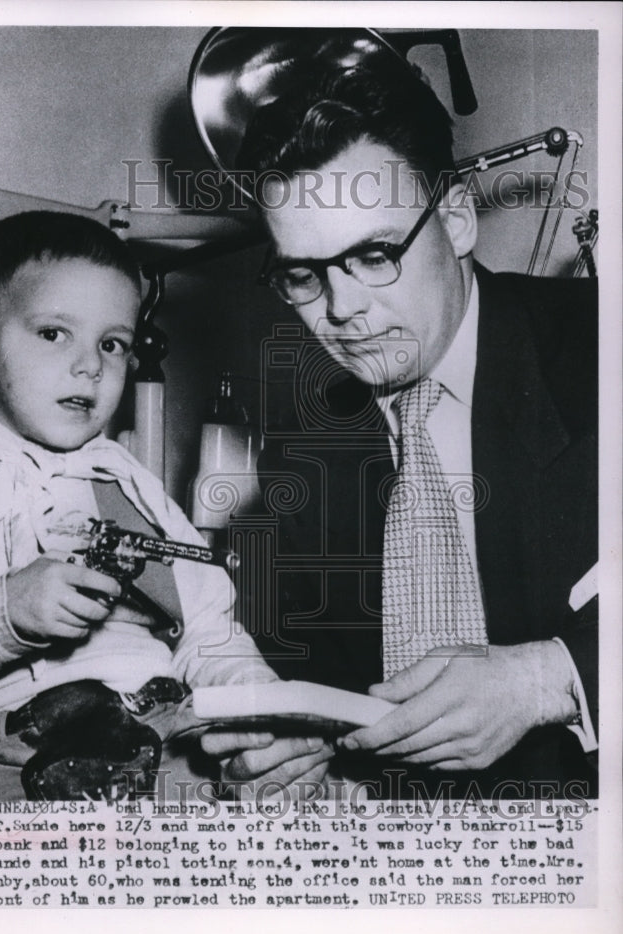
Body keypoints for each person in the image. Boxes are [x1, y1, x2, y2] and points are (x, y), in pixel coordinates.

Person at [201, 54, 598, 798]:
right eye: (303, 274)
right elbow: (315, 686)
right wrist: (286, 751)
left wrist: (552, 677)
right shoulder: (306, 450)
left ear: (456, 218)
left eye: (375, 254)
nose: (341, 309)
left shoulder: (599, 347)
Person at [0, 211, 331, 800]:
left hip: (167, 729)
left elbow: (209, 632)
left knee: (306, 792)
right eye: (53, 333)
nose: (91, 365)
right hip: (20, 759)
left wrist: (256, 706)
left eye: (112, 344)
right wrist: (3, 614)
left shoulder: (131, 484)